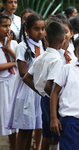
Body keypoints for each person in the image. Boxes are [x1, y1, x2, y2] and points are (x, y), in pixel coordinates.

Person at [23, 21, 65, 150]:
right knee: (58, 134)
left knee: (47, 134)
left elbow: (26, 78)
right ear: (62, 40)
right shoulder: (57, 60)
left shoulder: (41, 57)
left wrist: (41, 92)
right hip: (53, 101)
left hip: (44, 100)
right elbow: (48, 86)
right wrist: (56, 100)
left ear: (45, 38)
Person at [6, 13, 45, 150]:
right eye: (36, 29)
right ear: (27, 30)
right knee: (25, 130)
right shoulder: (23, 46)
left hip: (39, 91)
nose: (40, 32)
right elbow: (23, 73)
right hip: (28, 91)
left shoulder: (43, 45)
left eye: (43, 28)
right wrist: (40, 89)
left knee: (34, 127)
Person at [0, 12, 18, 150]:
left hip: (13, 83)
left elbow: (22, 60)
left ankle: (14, 147)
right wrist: (14, 64)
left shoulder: (13, 43)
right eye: (4, 26)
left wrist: (9, 48)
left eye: (9, 26)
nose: (8, 29)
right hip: (2, 85)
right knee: (4, 117)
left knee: (13, 119)